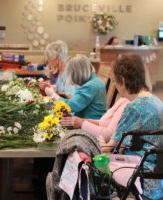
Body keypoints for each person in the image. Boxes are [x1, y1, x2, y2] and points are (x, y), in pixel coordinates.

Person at [99, 54, 163, 199]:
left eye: (115, 80)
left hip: (138, 178)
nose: (114, 84)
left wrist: (100, 143)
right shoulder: (157, 101)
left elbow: (111, 149)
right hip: (157, 177)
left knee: (93, 170)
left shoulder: (133, 107)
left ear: (122, 80)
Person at [46, 54, 107, 119]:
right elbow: (81, 102)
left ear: (76, 74)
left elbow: (71, 107)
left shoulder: (90, 86)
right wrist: (72, 98)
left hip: (89, 123)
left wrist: (53, 95)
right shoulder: (95, 80)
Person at [61, 97, 129, 141]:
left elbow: (108, 136)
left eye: (114, 80)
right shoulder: (123, 99)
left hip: (101, 140)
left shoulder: (127, 103)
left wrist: (81, 123)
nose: (114, 83)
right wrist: (81, 121)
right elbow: (102, 123)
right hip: (97, 135)